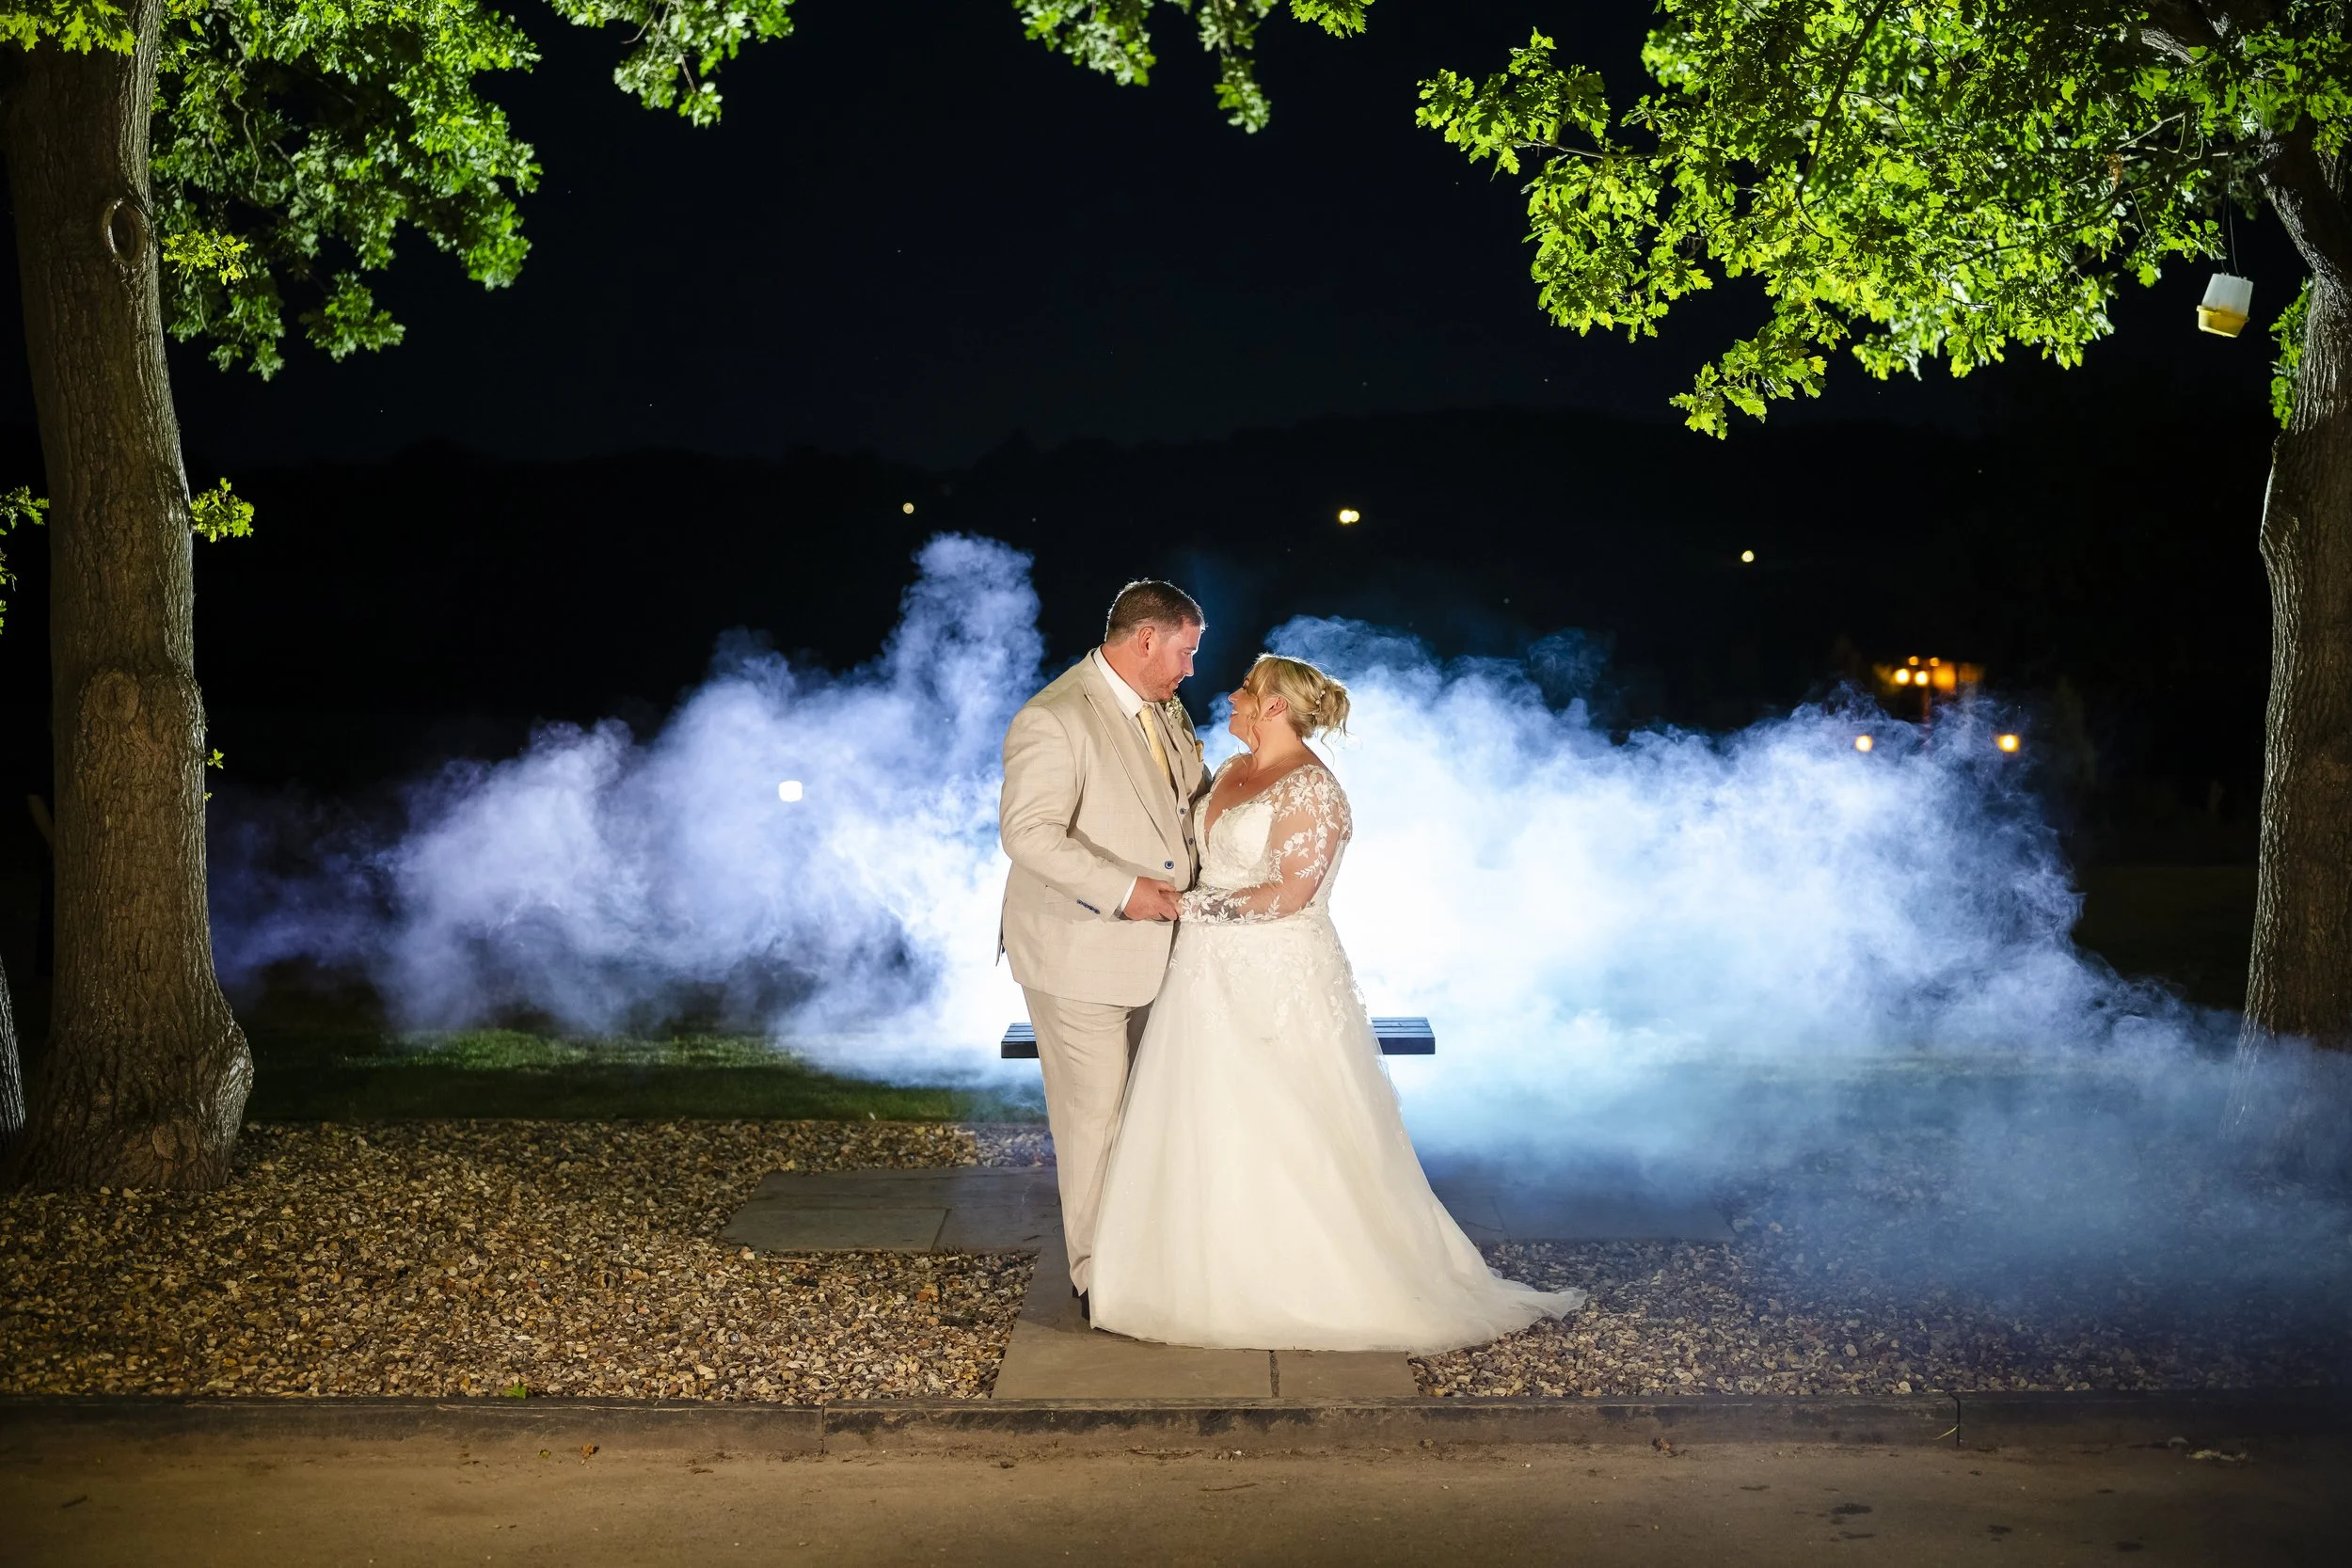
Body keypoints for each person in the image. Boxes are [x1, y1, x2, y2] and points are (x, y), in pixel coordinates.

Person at [1089, 654, 1587, 1352]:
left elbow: (1289, 893)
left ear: (1273, 707)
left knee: (1288, 1121)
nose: (1230, 695)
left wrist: (1186, 908)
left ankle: (1309, 1281)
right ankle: (1195, 1272)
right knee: (1203, 1115)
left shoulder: (1314, 790)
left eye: (1246, 690)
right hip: (1204, 974)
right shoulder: (1229, 772)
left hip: (1278, 973)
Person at [997, 579, 1208, 1313]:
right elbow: (1027, 835)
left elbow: (1185, 805)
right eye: (1184, 652)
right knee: (1094, 1121)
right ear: (1146, 639)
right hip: (1077, 949)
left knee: (1145, 1114)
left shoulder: (1162, 709)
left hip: (1156, 952)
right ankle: (1100, 1283)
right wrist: (1125, 891)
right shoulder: (1053, 717)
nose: (1189, 670)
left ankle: (1144, 1257)